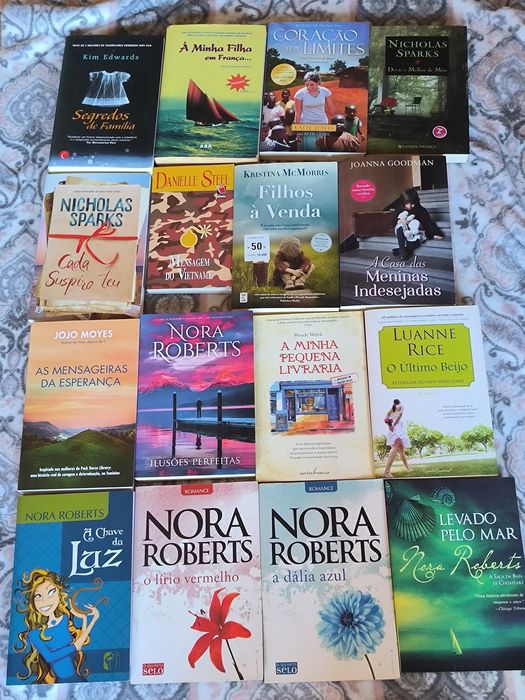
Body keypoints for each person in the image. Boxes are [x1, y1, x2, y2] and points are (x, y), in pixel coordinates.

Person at [13, 569, 101, 683]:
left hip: (78, 679)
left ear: (59, 594)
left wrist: (89, 619)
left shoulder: (64, 619)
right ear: (32, 602)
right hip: (61, 682)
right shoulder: (34, 635)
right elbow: (50, 657)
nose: (45, 601)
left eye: (51, 592)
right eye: (38, 596)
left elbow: (79, 643)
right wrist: (74, 647)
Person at [392, 188, 444, 260]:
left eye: (412, 204)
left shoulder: (420, 210)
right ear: (403, 202)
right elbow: (394, 220)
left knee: (416, 239)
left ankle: (402, 250)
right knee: (400, 226)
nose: (410, 206)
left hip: (415, 232)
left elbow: (428, 222)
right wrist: (399, 220)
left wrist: (434, 234)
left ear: (416, 202)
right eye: (407, 204)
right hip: (403, 232)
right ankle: (403, 252)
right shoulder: (399, 209)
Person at [293, 71, 335, 149]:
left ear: (318, 82)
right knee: (311, 148)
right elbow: (298, 114)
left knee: (322, 147)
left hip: (322, 123)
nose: (309, 87)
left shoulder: (325, 92)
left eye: (312, 84)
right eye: (307, 84)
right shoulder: (299, 94)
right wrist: (298, 131)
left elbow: (332, 111)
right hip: (307, 124)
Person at [383, 399, 411, 478]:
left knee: (401, 450)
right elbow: (400, 415)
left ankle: (408, 468)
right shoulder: (401, 406)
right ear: (399, 402)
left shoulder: (390, 410)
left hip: (393, 428)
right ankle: (386, 471)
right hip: (398, 428)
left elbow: (385, 419)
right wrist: (394, 425)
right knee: (395, 447)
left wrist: (389, 426)